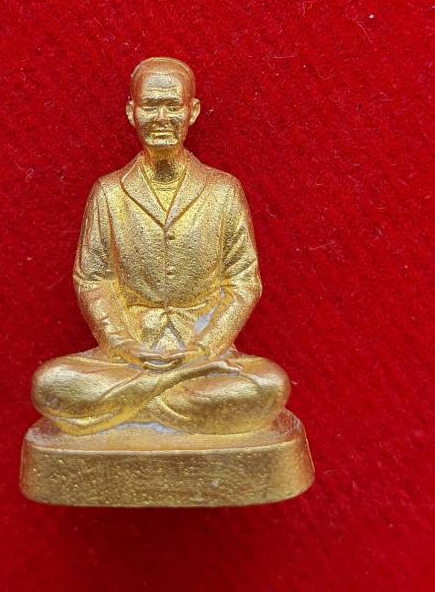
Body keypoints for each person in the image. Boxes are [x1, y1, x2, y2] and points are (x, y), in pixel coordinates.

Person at [32, 57, 290, 435]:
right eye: (151, 106)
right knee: (51, 382)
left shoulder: (223, 191)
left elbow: (242, 281)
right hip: (127, 360)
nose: (162, 118)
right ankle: (172, 399)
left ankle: (131, 406)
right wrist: (123, 344)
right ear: (132, 113)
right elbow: (94, 280)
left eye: (173, 106)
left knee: (269, 385)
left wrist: (204, 347)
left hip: (204, 361)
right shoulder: (109, 193)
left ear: (192, 111)